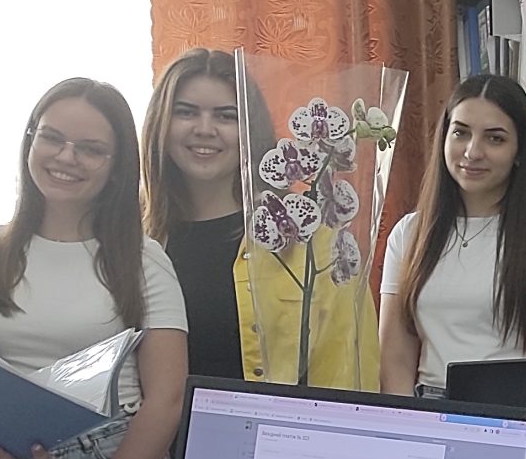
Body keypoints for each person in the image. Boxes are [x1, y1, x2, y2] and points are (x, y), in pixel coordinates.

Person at [0, 79, 188, 459]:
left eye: (90, 149)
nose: (67, 157)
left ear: (117, 166)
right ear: (30, 141)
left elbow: (166, 399)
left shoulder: (143, 258)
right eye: (52, 138)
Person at [141, 47, 373, 387]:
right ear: (159, 122)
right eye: (186, 112)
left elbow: (350, 371)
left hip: (276, 422)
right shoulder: (133, 243)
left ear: (251, 127)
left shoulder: (314, 242)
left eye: (226, 116)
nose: (204, 129)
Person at [380, 74, 526, 392]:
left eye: (495, 139)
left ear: (519, 151)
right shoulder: (409, 233)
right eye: (460, 133)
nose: (473, 152)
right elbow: (395, 359)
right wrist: (406, 420)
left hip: (509, 407)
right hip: (427, 406)